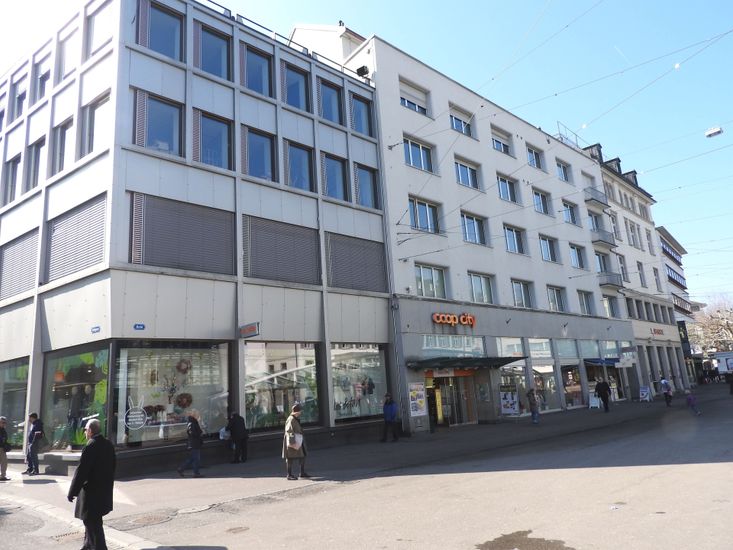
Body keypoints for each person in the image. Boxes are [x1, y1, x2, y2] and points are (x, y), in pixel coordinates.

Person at [67, 419, 116, 550]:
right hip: (103, 490)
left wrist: (72, 492)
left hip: (91, 491)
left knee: (92, 522)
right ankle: (88, 545)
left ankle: (99, 547)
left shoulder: (90, 446)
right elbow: (113, 466)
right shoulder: (108, 444)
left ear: (90, 431)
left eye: (85, 430)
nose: (84, 432)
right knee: (93, 520)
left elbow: (82, 471)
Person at [282, 404, 310, 480]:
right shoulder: (291, 419)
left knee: (303, 455)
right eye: (300, 411)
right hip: (293, 440)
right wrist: (292, 442)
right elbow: (289, 431)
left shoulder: (295, 418)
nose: (301, 413)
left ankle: (302, 473)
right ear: (297, 412)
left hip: (298, 439)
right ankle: (289, 474)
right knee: (290, 457)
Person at [177, 411, 204, 478]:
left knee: (192, 458)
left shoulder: (191, 422)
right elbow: (194, 433)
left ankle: (181, 469)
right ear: (194, 416)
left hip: (193, 442)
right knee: (196, 459)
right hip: (194, 443)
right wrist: (200, 433)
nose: (198, 416)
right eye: (197, 415)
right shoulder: (193, 423)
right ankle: (196, 473)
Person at [0, 416, 10, 481]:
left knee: (4, 462)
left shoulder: (3, 429)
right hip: (0, 447)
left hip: (2, 448)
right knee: (4, 462)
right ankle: (2, 476)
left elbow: (4, 439)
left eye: (5, 422)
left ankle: (2, 476)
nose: (4, 424)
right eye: (2, 422)